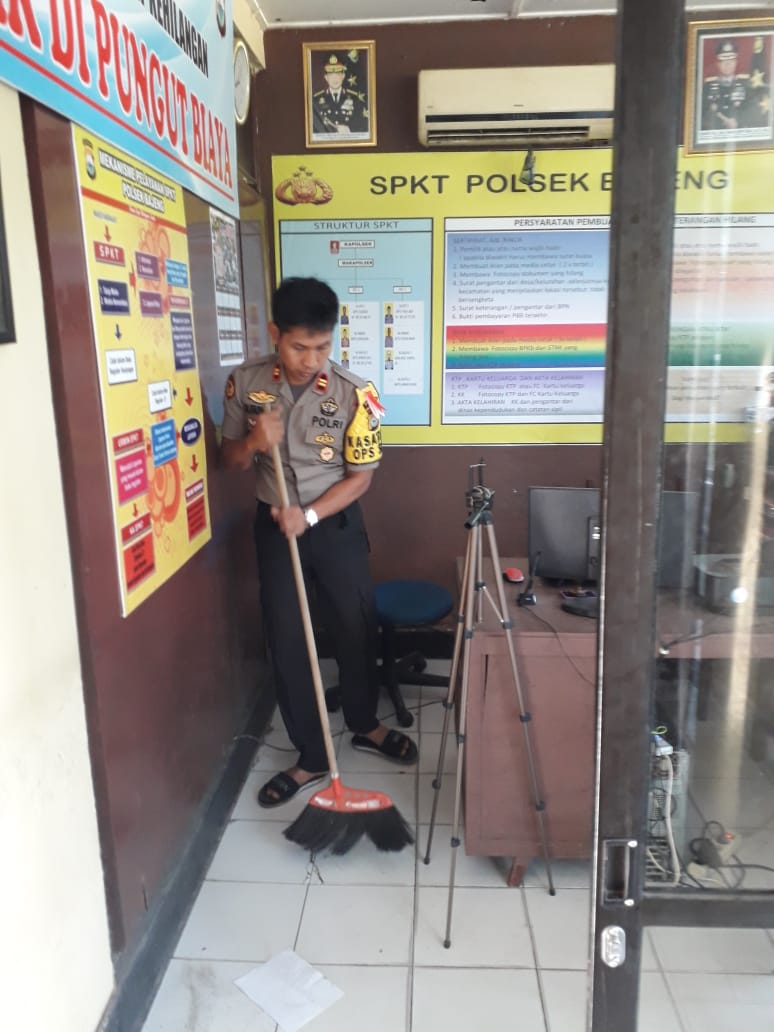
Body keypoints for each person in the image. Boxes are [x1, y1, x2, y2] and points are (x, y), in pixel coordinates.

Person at [220, 277, 417, 807]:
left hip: (333, 525)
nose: (311, 360)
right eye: (299, 347)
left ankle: (364, 724)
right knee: (288, 640)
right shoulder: (246, 383)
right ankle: (310, 755)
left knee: (355, 627)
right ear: (275, 334)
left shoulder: (356, 393)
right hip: (274, 526)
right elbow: (229, 461)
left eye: (322, 347)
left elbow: (361, 478)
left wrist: (307, 515)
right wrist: (254, 441)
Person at [701, 38, 753, 132]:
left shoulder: (746, 86)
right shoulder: (707, 87)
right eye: (723, 60)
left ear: (736, 62)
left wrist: (738, 122)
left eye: (731, 60)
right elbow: (702, 116)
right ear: (717, 63)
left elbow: (754, 113)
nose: (727, 64)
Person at [312, 54, 369, 136]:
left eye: (338, 75)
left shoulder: (355, 98)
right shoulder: (316, 99)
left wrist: (350, 129)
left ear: (343, 76)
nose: (335, 79)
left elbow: (364, 123)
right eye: (331, 76)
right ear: (326, 78)